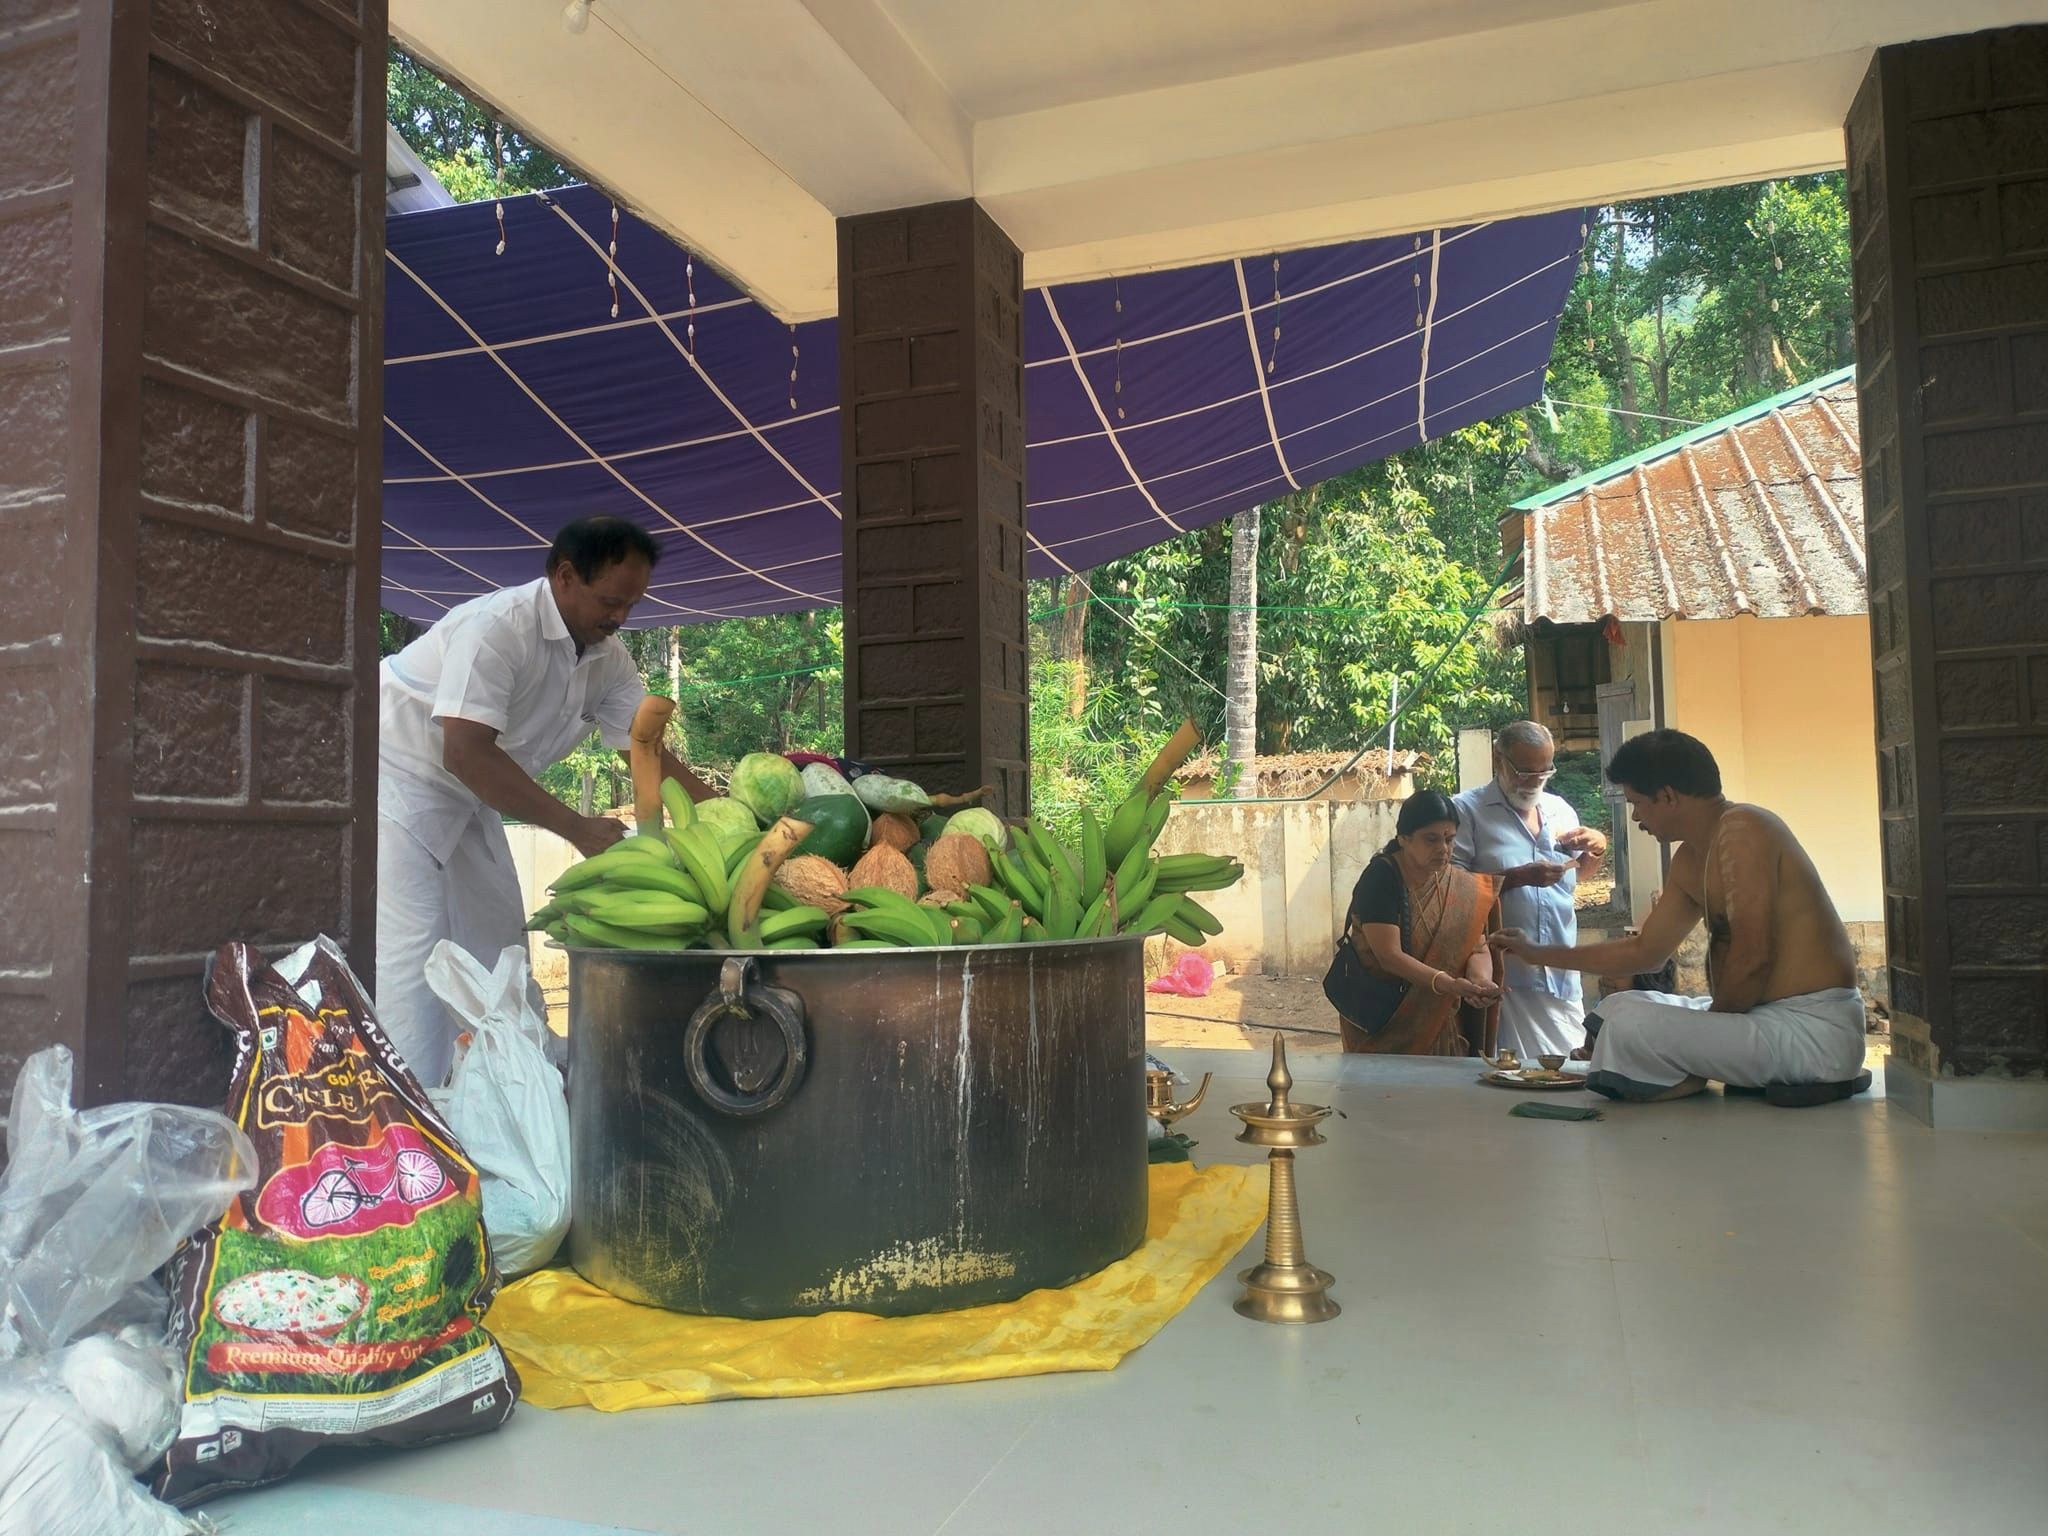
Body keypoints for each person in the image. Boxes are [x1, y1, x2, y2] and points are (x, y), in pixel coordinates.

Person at [376, 516, 714, 1085]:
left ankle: (514, 1092)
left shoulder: (608, 658)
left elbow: (646, 751)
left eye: (633, 604)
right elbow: (466, 751)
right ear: (564, 576)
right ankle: (414, 1126)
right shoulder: (497, 628)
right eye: (611, 600)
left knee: (500, 945)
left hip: (468, 794)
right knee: (411, 958)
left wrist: (728, 815)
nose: (621, 618)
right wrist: (577, 828)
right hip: (396, 777)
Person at [1490, 729, 1868, 1106]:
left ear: (1668, 796)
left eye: (1638, 803)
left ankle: (1682, 1077)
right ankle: (1681, 1075)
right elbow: (1644, 952)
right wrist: (1538, 953)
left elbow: (1753, 959)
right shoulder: (1689, 860)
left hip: (1813, 1034)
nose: (1636, 817)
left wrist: (1711, 1033)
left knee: (1629, 1028)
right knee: (1616, 1008)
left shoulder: (1743, 828)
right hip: (1763, 1020)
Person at [1452, 722, 1607, 1061]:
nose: (1533, 782)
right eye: (1524, 772)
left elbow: (1579, 874)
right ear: (1498, 760)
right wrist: (1518, 877)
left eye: (1543, 772)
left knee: (1570, 1070)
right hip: (1503, 976)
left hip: (1559, 971)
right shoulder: (1467, 811)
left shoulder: (1560, 810)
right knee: (1508, 1075)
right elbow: (1451, 889)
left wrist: (1595, 849)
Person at [1328, 791, 1504, 1055]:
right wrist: (1447, 983)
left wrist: (1479, 983)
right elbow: (1389, 956)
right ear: (1404, 839)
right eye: (1431, 839)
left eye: (1449, 839)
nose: (1443, 849)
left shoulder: (1458, 886)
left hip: (1443, 1021)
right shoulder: (1381, 878)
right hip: (1385, 1021)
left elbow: (1477, 947)